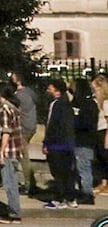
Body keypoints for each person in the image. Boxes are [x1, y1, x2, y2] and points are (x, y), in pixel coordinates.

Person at [42, 79, 77, 210]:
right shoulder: (67, 104)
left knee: (58, 173)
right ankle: (71, 198)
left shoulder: (56, 105)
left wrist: (46, 143)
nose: (48, 90)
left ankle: (60, 198)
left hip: (56, 144)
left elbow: (51, 125)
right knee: (68, 172)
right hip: (68, 144)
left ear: (56, 89)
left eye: (50, 88)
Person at [0, 91, 25, 223]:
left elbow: (6, 132)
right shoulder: (14, 108)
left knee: (9, 183)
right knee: (13, 182)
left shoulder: (4, 110)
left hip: (8, 151)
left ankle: (14, 213)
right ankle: (14, 211)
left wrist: (1, 151)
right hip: (15, 150)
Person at [71, 77, 99, 204]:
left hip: (84, 141)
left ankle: (87, 194)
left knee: (84, 168)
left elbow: (87, 123)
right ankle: (82, 191)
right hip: (78, 140)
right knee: (79, 168)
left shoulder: (88, 104)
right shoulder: (78, 103)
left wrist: (74, 121)